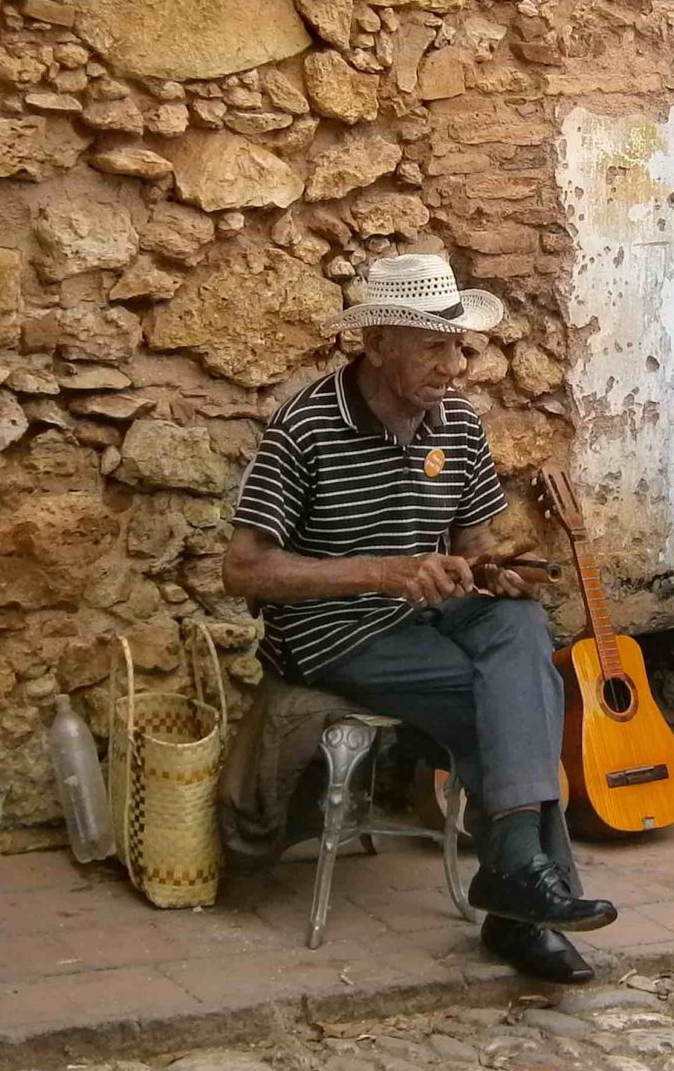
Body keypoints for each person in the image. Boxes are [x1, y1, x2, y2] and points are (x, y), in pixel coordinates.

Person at [222, 252, 613, 985]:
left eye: (460, 344)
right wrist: (385, 570)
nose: (456, 365)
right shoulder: (304, 428)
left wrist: (505, 575)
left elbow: (477, 549)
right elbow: (242, 569)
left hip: (432, 618)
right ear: (376, 346)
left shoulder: (456, 424)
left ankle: (519, 881)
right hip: (335, 635)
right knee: (515, 701)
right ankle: (523, 909)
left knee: (521, 632)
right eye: (434, 345)